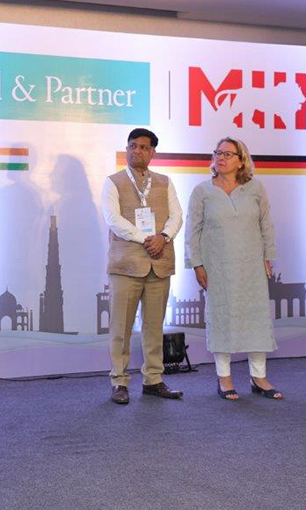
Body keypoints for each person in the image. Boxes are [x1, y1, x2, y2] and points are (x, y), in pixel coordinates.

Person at [184, 137, 282, 401]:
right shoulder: (202, 191)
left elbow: (266, 224)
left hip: (252, 265)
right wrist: (196, 264)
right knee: (222, 318)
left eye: (228, 154)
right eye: (218, 153)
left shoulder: (255, 188)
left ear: (241, 160)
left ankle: (258, 377)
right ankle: (224, 378)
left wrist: (268, 257)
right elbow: (192, 231)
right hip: (218, 266)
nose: (221, 157)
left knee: (256, 319)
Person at [101, 128, 183, 404]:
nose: (137, 151)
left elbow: (176, 216)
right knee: (120, 328)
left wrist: (164, 237)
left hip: (159, 264)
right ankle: (119, 381)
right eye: (132, 146)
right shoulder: (113, 182)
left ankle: (153, 380)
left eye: (143, 147)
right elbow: (113, 219)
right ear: (127, 150)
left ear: (152, 152)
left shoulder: (165, 182)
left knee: (154, 327)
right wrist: (146, 238)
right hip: (125, 265)